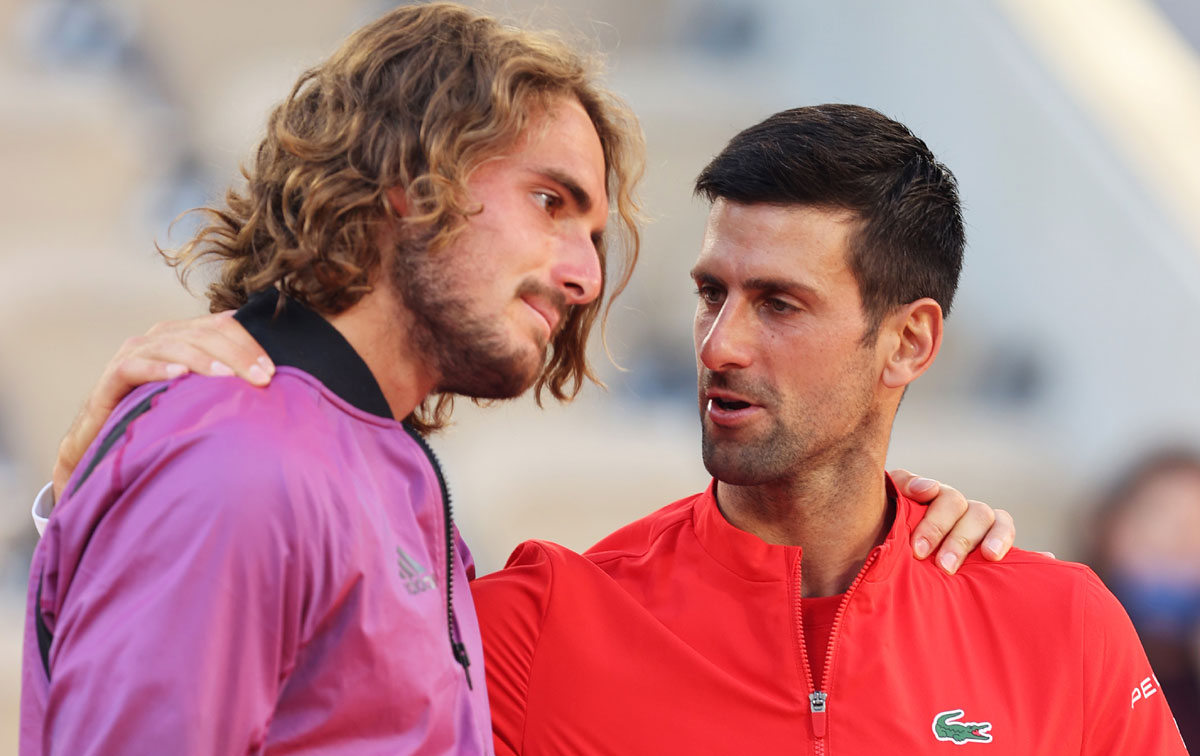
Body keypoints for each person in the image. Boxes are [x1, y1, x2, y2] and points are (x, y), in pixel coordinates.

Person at [21, 5, 1015, 756]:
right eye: (551, 201)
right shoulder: (237, 459)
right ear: (411, 182)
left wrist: (885, 530)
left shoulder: (364, 461)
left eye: (591, 232)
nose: (584, 276)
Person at [465, 106, 1189, 753]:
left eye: (779, 304)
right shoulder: (535, 630)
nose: (719, 346)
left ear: (908, 343)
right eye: (712, 294)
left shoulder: (1063, 627)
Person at [1089, 448, 1200, 750]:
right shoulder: (1071, 648)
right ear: (1109, 529)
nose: (1182, 542)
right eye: (1162, 518)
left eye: (1196, 526)